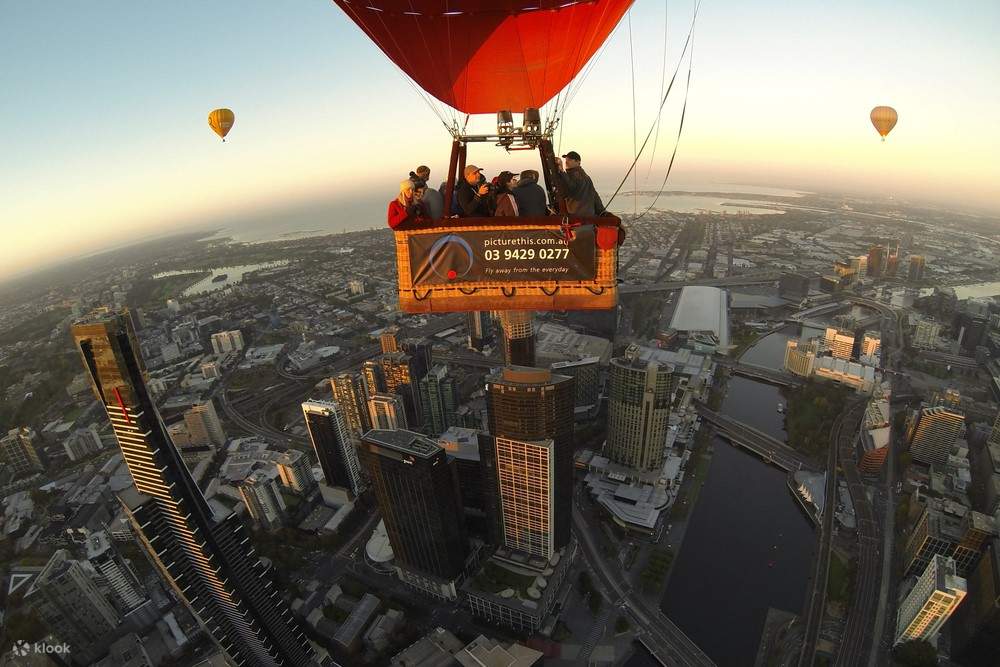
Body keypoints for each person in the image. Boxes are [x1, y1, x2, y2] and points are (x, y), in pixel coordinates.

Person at [555, 150, 605, 216]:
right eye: (566, 159)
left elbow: (572, 189)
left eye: (570, 159)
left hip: (576, 215)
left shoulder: (576, 174)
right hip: (588, 215)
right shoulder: (585, 176)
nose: (566, 162)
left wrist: (562, 172)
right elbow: (594, 195)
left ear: (578, 162)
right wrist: (602, 211)